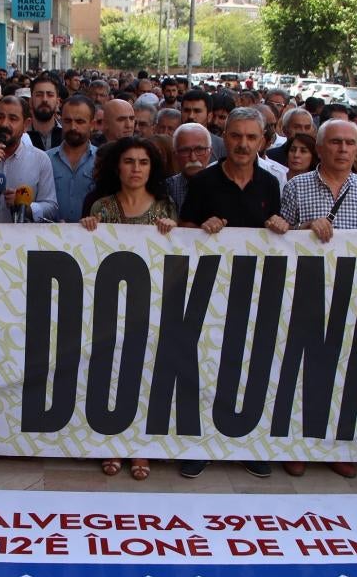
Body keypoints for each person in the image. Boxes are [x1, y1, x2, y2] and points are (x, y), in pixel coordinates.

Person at [177, 107, 284, 480]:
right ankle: (201, 446)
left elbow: (277, 232)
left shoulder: (270, 184)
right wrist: (200, 228)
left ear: (262, 141)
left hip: (254, 295)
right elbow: (183, 229)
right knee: (207, 369)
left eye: (251, 137)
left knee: (251, 370)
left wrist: (280, 225)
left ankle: (247, 444)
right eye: (236, 136)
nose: (243, 144)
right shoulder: (204, 182)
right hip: (209, 293)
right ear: (225, 137)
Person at [276, 119, 357, 479]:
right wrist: (303, 229)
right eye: (335, 142)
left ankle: (335, 448)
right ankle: (297, 446)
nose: (343, 149)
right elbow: (278, 237)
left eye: (350, 143)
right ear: (320, 148)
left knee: (343, 374)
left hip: (351, 296)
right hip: (304, 294)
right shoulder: (297, 186)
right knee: (300, 373)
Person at [81, 136, 178, 482]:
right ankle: (112, 443)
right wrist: (86, 231)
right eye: (129, 161)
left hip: (152, 306)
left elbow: (177, 255)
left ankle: (140, 446)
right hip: (108, 307)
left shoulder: (165, 208)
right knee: (109, 372)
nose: (136, 168)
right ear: (117, 167)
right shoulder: (101, 207)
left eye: (143, 162)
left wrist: (174, 231)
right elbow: (86, 255)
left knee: (146, 373)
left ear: (152, 169)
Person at [47, 94, 97, 223]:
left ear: (92, 124)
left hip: (92, 233)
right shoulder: (45, 159)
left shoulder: (102, 161)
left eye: (80, 121)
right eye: (67, 121)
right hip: (50, 233)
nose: (73, 127)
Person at [166, 122, 213, 209]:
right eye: (185, 150)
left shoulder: (224, 187)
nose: (193, 158)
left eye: (199, 150)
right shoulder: (167, 189)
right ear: (175, 155)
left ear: (210, 152)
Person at [180, 89, 226, 161]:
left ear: (209, 116)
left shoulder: (222, 147)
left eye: (197, 111)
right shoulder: (172, 143)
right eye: (186, 110)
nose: (191, 116)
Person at [27, 77, 63, 150]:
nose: (44, 99)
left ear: (58, 102)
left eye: (50, 95)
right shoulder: (20, 135)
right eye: (39, 95)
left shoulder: (67, 133)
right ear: (30, 101)